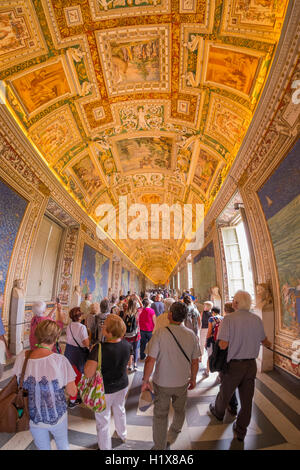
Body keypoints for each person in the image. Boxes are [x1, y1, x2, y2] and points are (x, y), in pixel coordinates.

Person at [209, 290, 271, 442]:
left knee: (225, 392)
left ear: (236, 303)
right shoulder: (256, 319)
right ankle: (241, 430)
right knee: (247, 399)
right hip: (251, 365)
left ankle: (218, 412)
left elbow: (223, 345)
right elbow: (265, 341)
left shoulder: (229, 319)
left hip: (234, 365)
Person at [141, 302, 200, 450]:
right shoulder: (191, 335)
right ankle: (173, 434)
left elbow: (150, 360)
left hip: (162, 383)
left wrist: (145, 380)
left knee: (160, 415)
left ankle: (160, 446)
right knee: (180, 410)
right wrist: (193, 378)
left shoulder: (160, 333)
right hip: (182, 383)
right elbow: (195, 361)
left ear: (170, 315)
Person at [12, 320, 77, 450]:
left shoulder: (21, 357)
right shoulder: (60, 360)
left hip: (33, 416)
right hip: (57, 415)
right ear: (56, 337)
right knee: (63, 444)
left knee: (42, 447)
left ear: (37, 335)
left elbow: (17, 382)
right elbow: (72, 392)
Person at [84, 315, 131, 450]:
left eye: (105, 326)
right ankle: (122, 434)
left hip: (104, 390)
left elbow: (88, 373)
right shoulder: (127, 345)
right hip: (122, 384)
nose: (102, 326)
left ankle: (105, 447)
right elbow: (128, 363)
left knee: (103, 420)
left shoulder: (99, 348)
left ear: (109, 332)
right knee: (120, 409)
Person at [64, 307, 90, 408]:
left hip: (69, 351)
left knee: (71, 374)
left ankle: (73, 395)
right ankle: (73, 400)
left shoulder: (69, 325)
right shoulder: (82, 327)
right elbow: (85, 343)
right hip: (79, 353)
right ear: (80, 317)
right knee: (78, 375)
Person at [204, 307, 223, 378]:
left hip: (212, 340)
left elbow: (209, 331)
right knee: (219, 356)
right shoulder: (223, 318)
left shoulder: (211, 319)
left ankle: (207, 371)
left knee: (210, 355)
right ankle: (219, 374)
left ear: (213, 312)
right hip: (220, 340)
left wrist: (206, 341)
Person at [123, 298, 141, 371]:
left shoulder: (125, 313)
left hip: (127, 334)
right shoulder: (138, 312)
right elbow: (141, 306)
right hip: (136, 334)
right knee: (135, 349)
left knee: (129, 349)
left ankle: (129, 365)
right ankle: (135, 364)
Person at [200, 301, 213, 368]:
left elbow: (200, 320)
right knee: (206, 344)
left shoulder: (202, 313)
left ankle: (201, 357)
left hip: (203, 329)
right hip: (208, 329)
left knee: (202, 343)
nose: (203, 307)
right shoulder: (211, 314)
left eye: (204, 306)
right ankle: (203, 357)